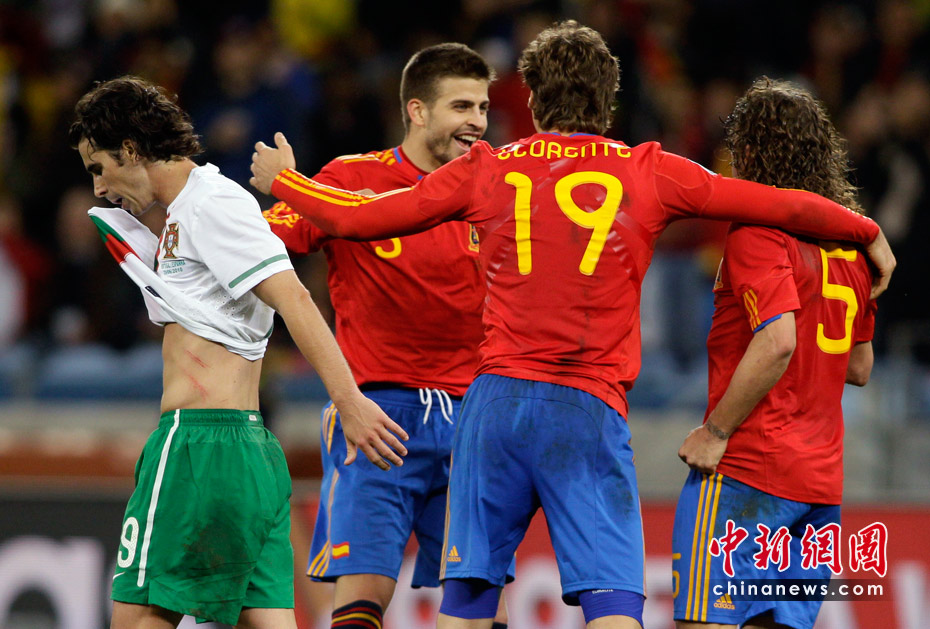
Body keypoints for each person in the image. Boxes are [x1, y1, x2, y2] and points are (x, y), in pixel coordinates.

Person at [249, 22, 895, 629]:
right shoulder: (652, 170)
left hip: (493, 405)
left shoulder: (486, 167)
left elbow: (359, 218)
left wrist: (288, 183)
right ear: (610, 102)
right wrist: (865, 230)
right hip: (588, 407)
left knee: (469, 595)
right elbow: (779, 204)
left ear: (531, 100)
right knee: (613, 599)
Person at [69, 76, 408, 629]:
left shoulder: (210, 204)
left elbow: (295, 298)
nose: (99, 187)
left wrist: (349, 401)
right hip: (249, 451)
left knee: (139, 616)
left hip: (196, 448)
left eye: (98, 167)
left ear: (129, 149)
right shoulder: (190, 210)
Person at [262, 43, 510, 629]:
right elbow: (260, 248)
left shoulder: (499, 187)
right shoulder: (352, 179)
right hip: (378, 413)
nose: (477, 121)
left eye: (482, 107)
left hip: (474, 414)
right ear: (417, 111)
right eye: (461, 106)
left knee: (480, 599)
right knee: (364, 589)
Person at [672, 78, 877, 629]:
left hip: (749, 470)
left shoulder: (757, 234)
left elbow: (778, 340)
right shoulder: (854, 250)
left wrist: (715, 432)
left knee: (703, 622)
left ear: (748, 152)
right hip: (819, 486)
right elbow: (860, 367)